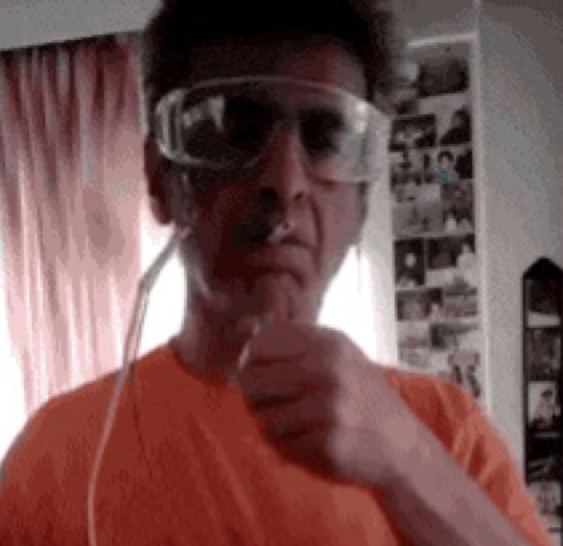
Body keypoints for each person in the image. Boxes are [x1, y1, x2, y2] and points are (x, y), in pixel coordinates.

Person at [0, 1, 553, 545]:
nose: (285, 182)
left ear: (362, 204)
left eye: (326, 138)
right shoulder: (52, 459)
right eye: (237, 129)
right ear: (160, 179)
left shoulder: (448, 435)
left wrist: (405, 461)